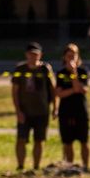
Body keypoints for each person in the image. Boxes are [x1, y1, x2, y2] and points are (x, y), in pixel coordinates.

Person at [11, 42, 55, 171]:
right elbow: (14, 92)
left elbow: (53, 89)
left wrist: (55, 107)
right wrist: (18, 111)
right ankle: (20, 166)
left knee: (39, 140)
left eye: (36, 54)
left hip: (42, 111)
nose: (33, 56)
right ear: (26, 54)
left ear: (40, 55)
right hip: (25, 111)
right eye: (31, 54)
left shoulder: (45, 69)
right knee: (21, 139)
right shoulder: (20, 69)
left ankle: (36, 167)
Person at [55, 43, 90, 169]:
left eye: (74, 55)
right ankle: (69, 167)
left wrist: (74, 73)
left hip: (81, 111)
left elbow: (83, 90)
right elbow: (59, 93)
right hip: (66, 112)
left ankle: (85, 166)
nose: (71, 58)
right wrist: (74, 90)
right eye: (69, 55)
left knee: (84, 141)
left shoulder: (83, 71)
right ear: (64, 57)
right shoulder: (60, 73)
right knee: (67, 142)